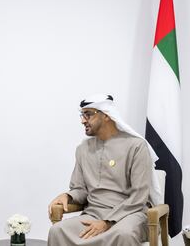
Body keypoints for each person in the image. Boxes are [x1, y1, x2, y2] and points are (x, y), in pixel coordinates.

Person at [47, 94, 162, 246]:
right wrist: (67, 196)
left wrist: (107, 222)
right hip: (94, 213)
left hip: (130, 214)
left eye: (88, 114)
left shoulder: (136, 146)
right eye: (82, 115)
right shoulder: (83, 149)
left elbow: (139, 196)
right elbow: (80, 189)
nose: (83, 120)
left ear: (106, 115)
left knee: (124, 234)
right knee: (57, 230)